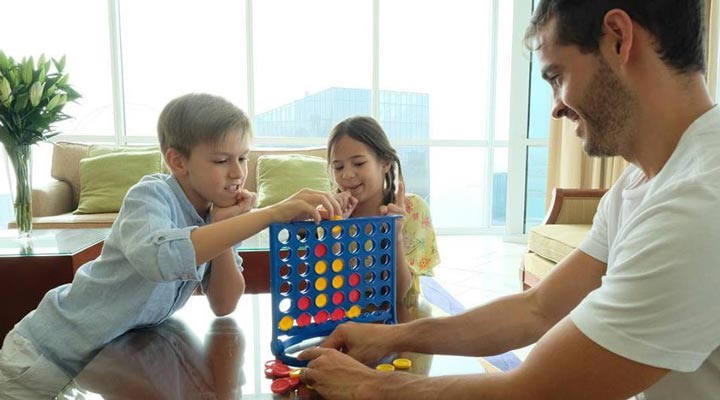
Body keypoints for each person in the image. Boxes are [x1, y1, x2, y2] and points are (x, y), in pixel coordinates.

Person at [297, 1, 720, 399]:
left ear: (617, 38)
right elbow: (537, 309)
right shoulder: (639, 187)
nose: (556, 107)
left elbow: (532, 392)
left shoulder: (698, 205)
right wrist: (390, 337)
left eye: (557, 77)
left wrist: (368, 387)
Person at [0, 93, 353, 398]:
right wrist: (270, 213)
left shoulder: (212, 216)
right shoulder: (150, 196)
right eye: (221, 160)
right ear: (177, 161)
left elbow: (224, 302)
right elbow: (162, 258)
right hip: (41, 357)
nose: (237, 173)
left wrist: (223, 226)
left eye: (242, 158)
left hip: (98, 364)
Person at [327, 116, 440, 323]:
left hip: (402, 321)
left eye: (359, 163)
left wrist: (394, 235)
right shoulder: (332, 216)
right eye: (338, 167)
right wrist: (336, 234)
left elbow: (398, 295)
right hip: (349, 323)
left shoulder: (413, 210)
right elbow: (333, 292)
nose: (347, 175)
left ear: (385, 162)